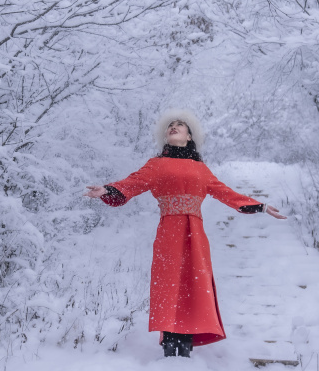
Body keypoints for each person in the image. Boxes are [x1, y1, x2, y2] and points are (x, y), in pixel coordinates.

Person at [85, 110, 286, 358]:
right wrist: (106, 189)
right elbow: (132, 183)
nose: (174, 127)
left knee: (194, 283)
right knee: (170, 285)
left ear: (189, 136)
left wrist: (261, 206)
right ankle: (171, 349)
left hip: (196, 235)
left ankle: (186, 349)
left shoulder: (201, 169)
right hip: (169, 232)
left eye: (180, 125)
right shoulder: (155, 165)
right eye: (170, 125)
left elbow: (226, 193)